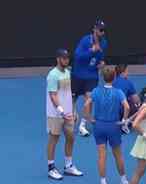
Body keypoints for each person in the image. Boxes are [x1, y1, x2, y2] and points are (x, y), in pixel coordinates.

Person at [84, 66, 130, 184]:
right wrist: (124, 120)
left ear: (102, 77)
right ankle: (124, 180)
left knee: (101, 155)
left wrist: (90, 118)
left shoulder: (95, 91)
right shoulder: (118, 92)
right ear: (114, 77)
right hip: (113, 127)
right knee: (118, 155)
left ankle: (103, 181)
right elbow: (127, 106)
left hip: (99, 126)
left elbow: (86, 105)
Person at [46, 49, 83, 180]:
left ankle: (68, 166)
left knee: (70, 138)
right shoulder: (52, 75)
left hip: (68, 113)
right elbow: (53, 95)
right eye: (64, 58)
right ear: (58, 59)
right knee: (54, 139)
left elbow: (69, 94)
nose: (66, 60)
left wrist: (73, 110)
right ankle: (51, 168)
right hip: (55, 114)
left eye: (67, 58)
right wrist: (61, 111)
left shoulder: (68, 72)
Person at [72, 19, 108, 136]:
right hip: (78, 75)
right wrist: (91, 51)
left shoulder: (104, 43)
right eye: (100, 29)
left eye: (103, 30)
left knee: (89, 98)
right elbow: (77, 56)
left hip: (92, 75)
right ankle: (72, 114)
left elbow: (101, 58)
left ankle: (82, 126)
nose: (102, 32)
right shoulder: (85, 40)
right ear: (94, 29)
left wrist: (102, 63)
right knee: (72, 100)